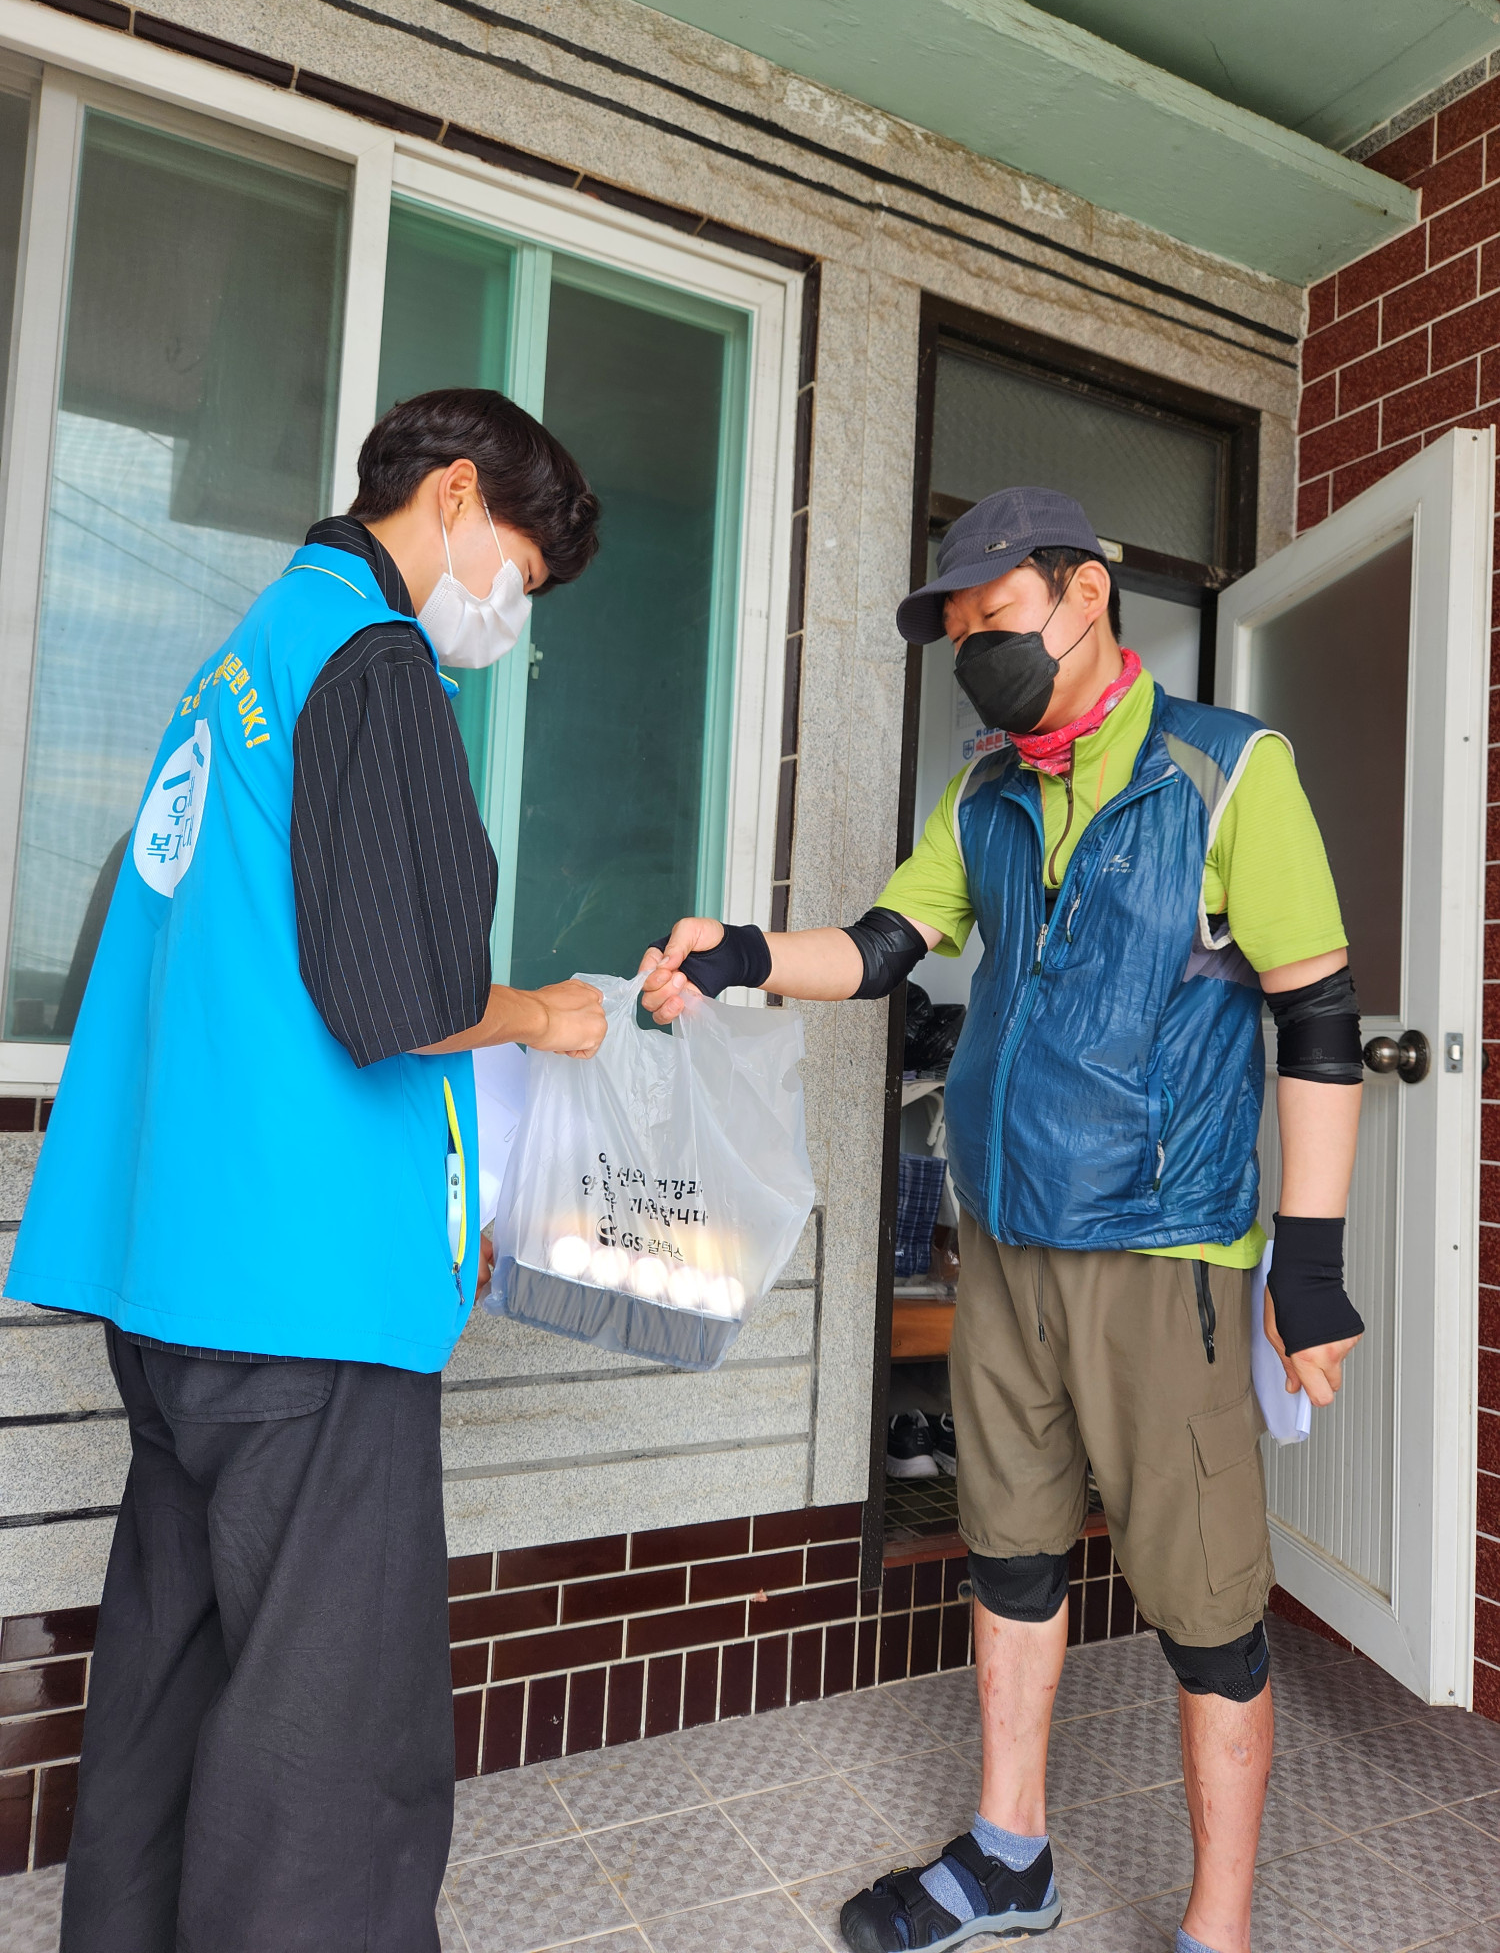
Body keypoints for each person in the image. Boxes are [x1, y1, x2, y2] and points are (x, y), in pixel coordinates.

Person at [640, 487, 1365, 1953]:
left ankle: (1219, 1926)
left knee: (1205, 1600)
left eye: (997, 617)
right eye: (960, 629)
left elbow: (1322, 1019)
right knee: (1014, 1549)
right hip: (1009, 1235)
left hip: (1165, 1248)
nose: (977, 649)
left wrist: (1313, 1261)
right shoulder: (987, 792)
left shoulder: (1228, 772)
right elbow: (882, 946)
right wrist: (737, 953)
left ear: (1086, 595)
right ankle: (1011, 1853)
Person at [5, 389, 608, 1953]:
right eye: (521, 575)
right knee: (328, 1745)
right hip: (307, 1292)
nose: (510, 617)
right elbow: (402, 995)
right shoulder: (373, 659)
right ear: (456, 494)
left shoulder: (243, 661)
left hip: (176, 1280)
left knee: (172, 1680)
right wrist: (546, 1015)